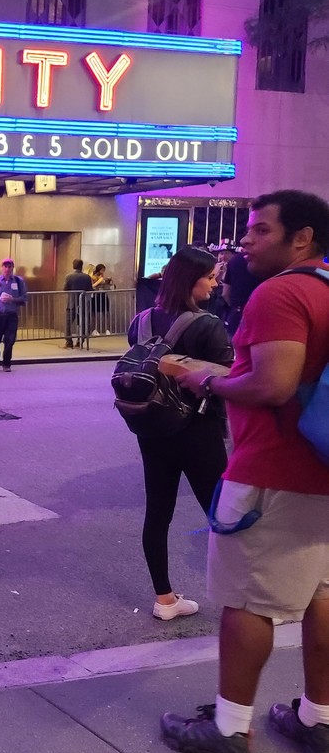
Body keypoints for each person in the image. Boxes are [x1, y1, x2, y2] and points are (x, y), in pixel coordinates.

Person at [161, 190, 329, 753]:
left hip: (273, 471)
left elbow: (274, 384)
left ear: (300, 238)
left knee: (245, 602)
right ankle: (319, 719)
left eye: (259, 230)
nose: (246, 241)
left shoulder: (284, 291)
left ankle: (229, 731)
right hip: (324, 471)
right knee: (321, 594)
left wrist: (207, 382)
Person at [126, 246, 233, 622]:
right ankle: (246, 600)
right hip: (198, 429)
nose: (214, 283)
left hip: (152, 428)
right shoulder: (207, 324)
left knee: (158, 512)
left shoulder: (140, 321)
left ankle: (165, 599)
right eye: (209, 277)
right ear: (192, 280)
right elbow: (227, 377)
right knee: (221, 515)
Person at [0, 258, 27, 372]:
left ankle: (6, 363)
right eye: (5, 266)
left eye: (9, 266)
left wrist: (13, 299)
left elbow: (24, 299)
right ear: (1, 268)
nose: (7, 269)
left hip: (11, 315)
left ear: (12, 268)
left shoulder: (18, 281)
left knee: (10, 339)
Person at [220, 241, 261, 337]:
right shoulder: (269, 261)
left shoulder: (234, 261)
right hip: (261, 314)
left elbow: (225, 293)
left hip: (236, 314)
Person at [63, 258, 94, 347]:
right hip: (83, 302)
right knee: (83, 321)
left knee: (68, 322)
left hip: (71, 302)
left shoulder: (68, 276)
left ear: (73, 266)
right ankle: (81, 341)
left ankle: (69, 341)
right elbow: (90, 289)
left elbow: (65, 288)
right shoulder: (86, 277)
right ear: (81, 266)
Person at [90, 263, 113, 335]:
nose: (103, 272)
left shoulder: (102, 278)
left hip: (103, 295)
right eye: (102, 270)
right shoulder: (93, 277)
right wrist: (100, 280)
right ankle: (94, 329)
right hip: (95, 296)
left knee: (106, 313)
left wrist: (108, 282)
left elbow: (107, 286)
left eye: (104, 270)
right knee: (94, 313)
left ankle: (107, 329)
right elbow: (92, 286)